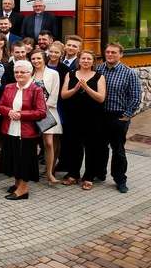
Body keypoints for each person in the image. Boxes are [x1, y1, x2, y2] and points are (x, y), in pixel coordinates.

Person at [0, 60, 47, 200]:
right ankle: (17, 184)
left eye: (22, 72)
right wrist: (9, 112)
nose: (19, 74)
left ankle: (23, 190)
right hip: (10, 129)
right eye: (16, 72)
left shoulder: (36, 89)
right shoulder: (9, 87)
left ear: (30, 73)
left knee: (25, 161)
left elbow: (41, 112)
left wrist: (21, 115)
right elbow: (0, 106)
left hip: (27, 132)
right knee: (14, 159)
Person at [96, 43, 142, 193]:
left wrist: (127, 115)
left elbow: (135, 97)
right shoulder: (99, 69)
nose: (110, 55)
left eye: (114, 52)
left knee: (118, 150)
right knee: (100, 146)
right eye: (108, 52)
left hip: (119, 116)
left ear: (121, 55)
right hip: (101, 115)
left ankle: (120, 179)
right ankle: (99, 173)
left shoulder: (129, 73)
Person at [60, 51, 106, 189]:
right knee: (74, 146)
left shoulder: (99, 77)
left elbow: (101, 98)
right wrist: (75, 88)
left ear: (93, 62)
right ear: (79, 60)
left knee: (92, 147)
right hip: (73, 117)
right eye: (83, 58)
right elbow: (63, 95)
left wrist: (86, 88)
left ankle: (89, 176)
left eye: (89, 59)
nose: (85, 61)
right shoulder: (71, 74)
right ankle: (73, 174)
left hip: (93, 118)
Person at [30, 49, 62, 184]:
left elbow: (55, 94)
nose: (36, 61)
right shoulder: (29, 73)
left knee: (48, 143)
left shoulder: (53, 74)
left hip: (47, 112)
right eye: (33, 59)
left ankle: (50, 173)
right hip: (31, 113)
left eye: (38, 58)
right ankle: (31, 172)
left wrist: (43, 110)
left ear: (44, 59)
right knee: (31, 144)